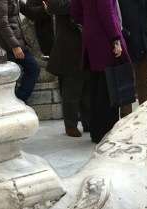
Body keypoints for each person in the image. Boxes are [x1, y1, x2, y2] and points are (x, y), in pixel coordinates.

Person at [71, 0, 130, 143]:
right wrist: (115, 38)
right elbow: (106, 12)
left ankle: (96, 132)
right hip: (105, 38)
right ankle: (106, 131)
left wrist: (89, 20)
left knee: (96, 86)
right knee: (107, 89)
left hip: (90, 36)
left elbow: (75, 11)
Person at [44, 0, 91, 137]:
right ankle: (71, 124)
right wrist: (79, 5)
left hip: (87, 40)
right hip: (69, 44)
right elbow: (52, 6)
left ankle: (89, 122)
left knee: (88, 85)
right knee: (72, 88)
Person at [0, 0, 42, 103]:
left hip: (18, 43)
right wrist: (14, 46)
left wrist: (45, 10)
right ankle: (13, 102)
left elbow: (28, 11)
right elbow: (1, 22)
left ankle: (19, 99)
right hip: (7, 45)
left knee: (33, 68)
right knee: (10, 76)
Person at [119, 0, 147, 115]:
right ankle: (125, 121)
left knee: (144, 85)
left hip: (144, 42)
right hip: (126, 42)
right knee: (126, 86)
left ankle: (146, 116)